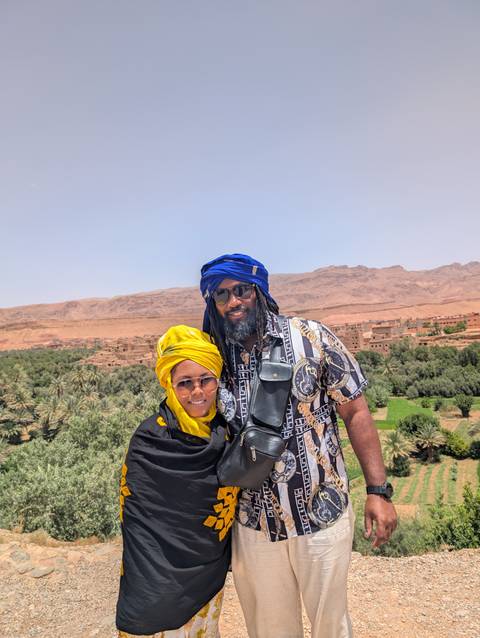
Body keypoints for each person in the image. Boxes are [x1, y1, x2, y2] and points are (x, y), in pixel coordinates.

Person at [200, 253, 398, 638]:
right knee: (270, 631)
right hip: (255, 526)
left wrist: (378, 491)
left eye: (241, 290)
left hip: (321, 517)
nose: (233, 302)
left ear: (260, 292)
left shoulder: (312, 338)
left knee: (330, 627)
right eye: (221, 295)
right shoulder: (214, 360)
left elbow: (355, 412)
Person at [116, 325, 238, 638]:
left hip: (208, 576)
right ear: (170, 385)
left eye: (205, 380)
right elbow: (137, 519)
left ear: (216, 381)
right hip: (155, 579)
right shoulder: (149, 440)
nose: (197, 392)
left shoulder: (224, 432)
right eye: (185, 383)